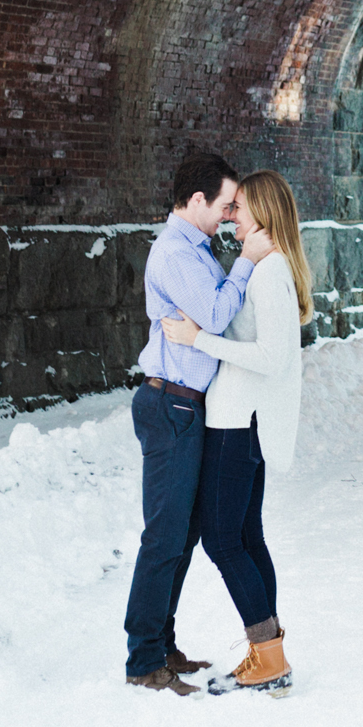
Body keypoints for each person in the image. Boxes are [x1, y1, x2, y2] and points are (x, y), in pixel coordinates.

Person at [163, 168, 311, 698]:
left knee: (223, 541)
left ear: (263, 213)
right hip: (242, 421)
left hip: (237, 423)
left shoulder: (268, 271)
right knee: (247, 538)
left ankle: (270, 657)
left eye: (240, 207)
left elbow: (270, 358)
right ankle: (265, 651)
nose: (231, 215)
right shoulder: (268, 266)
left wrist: (200, 339)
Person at [125, 150, 269, 694]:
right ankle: (143, 661)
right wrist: (248, 261)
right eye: (226, 205)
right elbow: (213, 315)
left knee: (181, 537)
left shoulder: (197, 249)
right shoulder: (175, 254)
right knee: (164, 538)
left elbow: (213, 316)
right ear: (196, 200)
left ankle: (162, 645)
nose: (231, 216)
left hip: (186, 404)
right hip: (170, 406)